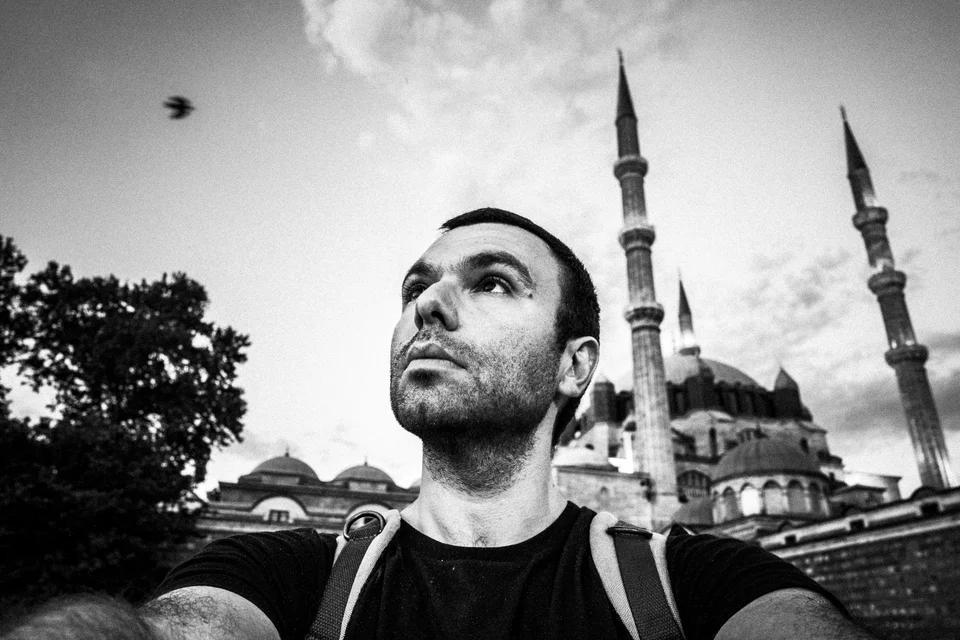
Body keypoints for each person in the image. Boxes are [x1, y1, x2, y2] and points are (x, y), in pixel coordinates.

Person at [3, 208, 875, 640]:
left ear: (576, 367)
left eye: (493, 282)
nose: (429, 304)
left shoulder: (689, 583)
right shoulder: (295, 576)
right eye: (417, 286)